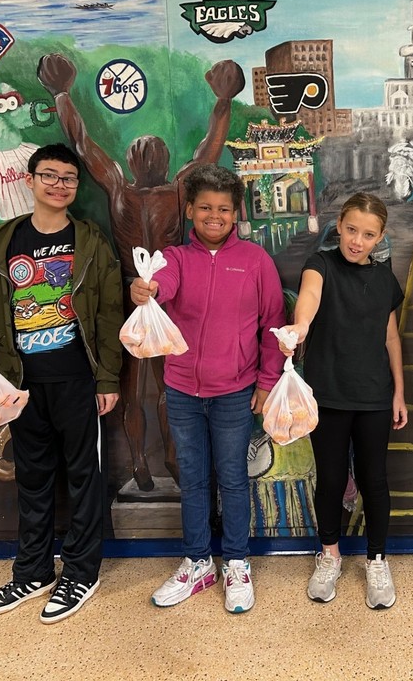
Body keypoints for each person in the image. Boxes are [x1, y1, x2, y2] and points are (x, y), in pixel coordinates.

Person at [38, 52, 245, 493]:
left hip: (140, 295)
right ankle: (166, 457)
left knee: (139, 391)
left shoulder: (119, 188)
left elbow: (81, 141)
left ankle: (141, 463)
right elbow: (211, 146)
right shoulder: (177, 187)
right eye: (146, 152)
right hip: (162, 299)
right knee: (167, 389)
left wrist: (61, 94)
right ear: (161, 160)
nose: (148, 156)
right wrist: (222, 101)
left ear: (131, 162)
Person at [0, 143, 123, 624]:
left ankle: (83, 571)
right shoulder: (1, 241)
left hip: (78, 381)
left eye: (69, 178)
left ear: (75, 187)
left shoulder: (91, 242)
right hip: (20, 383)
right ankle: (33, 570)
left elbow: (110, 314)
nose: (59, 184)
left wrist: (107, 377)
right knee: (33, 476)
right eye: (50, 175)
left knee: (86, 477)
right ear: (30, 180)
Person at [131, 164, 285, 614]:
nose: (213, 216)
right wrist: (150, 289)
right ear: (190, 210)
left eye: (223, 208)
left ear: (236, 211)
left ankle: (237, 561)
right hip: (181, 392)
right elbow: (164, 285)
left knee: (234, 479)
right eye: (204, 208)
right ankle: (198, 562)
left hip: (236, 392)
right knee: (194, 480)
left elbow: (272, 324)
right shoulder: (174, 259)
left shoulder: (256, 260)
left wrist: (266, 381)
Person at [278, 193, 408, 610]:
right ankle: (329, 554)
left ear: (380, 237)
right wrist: (299, 327)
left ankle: (376, 558)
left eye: (368, 234)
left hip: (373, 395)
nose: (357, 240)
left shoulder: (385, 279)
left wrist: (400, 392)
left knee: (375, 480)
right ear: (339, 226)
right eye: (352, 230)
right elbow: (310, 300)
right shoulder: (321, 265)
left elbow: (391, 337)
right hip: (329, 393)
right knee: (331, 479)